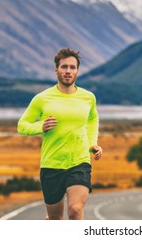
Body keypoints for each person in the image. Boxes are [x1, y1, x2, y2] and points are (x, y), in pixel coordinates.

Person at [17, 48, 103, 220]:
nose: (68, 71)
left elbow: (93, 118)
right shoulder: (42, 98)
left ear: (77, 71)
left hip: (79, 162)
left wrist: (92, 144)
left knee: (75, 210)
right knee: (56, 220)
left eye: (72, 67)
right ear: (56, 70)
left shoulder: (88, 97)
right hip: (52, 164)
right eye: (64, 67)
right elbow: (22, 125)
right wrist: (41, 126)